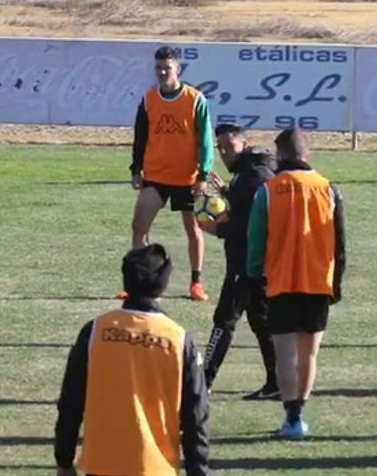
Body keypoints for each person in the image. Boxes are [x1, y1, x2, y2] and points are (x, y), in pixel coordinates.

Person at [54, 244, 210, 476]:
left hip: (101, 466)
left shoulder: (95, 331)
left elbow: (71, 401)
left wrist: (64, 460)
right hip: (157, 468)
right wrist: (198, 470)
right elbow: (195, 414)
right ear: (163, 284)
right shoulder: (177, 339)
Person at [247, 128, 345, 440]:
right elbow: (340, 244)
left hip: (281, 281)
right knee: (309, 355)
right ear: (307, 153)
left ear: (281, 156)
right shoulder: (328, 189)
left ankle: (291, 417)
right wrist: (336, 282)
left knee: (285, 354)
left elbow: (256, 240)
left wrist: (254, 274)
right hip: (318, 281)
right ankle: (300, 411)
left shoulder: (268, 191)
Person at [126, 45, 215, 302]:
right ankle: (139, 286)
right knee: (139, 227)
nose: (162, 72)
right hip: (155, 176)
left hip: (187, 178)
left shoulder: (195, 99)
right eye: (158, 68)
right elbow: (140, 137)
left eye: (167, 67)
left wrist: (203, 175)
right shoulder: (149, 99)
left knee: (193, 229)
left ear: (178, 68)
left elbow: (206, 140)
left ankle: (196, 283)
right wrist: (136, 169)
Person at [197, 124, 278, 400]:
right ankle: (276, 382)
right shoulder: (250, 172)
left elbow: (252, 223)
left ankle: (202, 383)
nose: (223, 153)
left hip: (247, 261)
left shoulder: (253, 176)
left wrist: (217, 229)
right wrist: (229, 194)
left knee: (224, 320)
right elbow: (248, 207)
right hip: (258, 262)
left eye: (228, 147)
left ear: (245, 144)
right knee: (261, 321)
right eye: (219, 148)